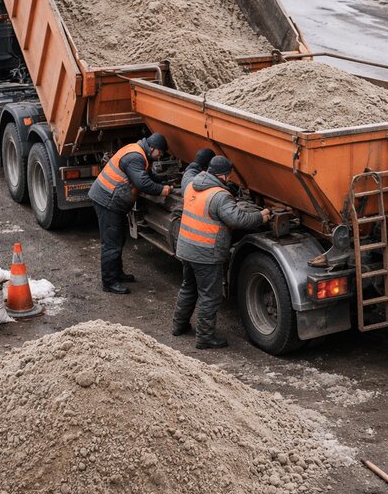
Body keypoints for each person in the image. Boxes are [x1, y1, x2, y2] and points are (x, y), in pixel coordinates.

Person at [172, 155, 270, 349]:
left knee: (188, 287)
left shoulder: (191, 185)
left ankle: (178, 326)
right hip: (206, 253)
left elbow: (188, 173)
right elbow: (238, 220)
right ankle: (205, 338)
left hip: (186, 248)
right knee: (210, 296)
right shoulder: (219, 196)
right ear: (224, 176)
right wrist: (261, 217)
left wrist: (195, 160)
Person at [89, 133, 171, 294]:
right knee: (111, 242)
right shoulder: (135, 157)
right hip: (106, 201)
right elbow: (143, 183)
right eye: (160, 152)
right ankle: (109, 282)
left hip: (111, 200)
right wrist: (163, 190)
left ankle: (117, 273)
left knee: (118, 238)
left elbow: (146, 175)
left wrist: (162, 181)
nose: (161, 156)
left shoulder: (140, 152)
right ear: (152, 148)